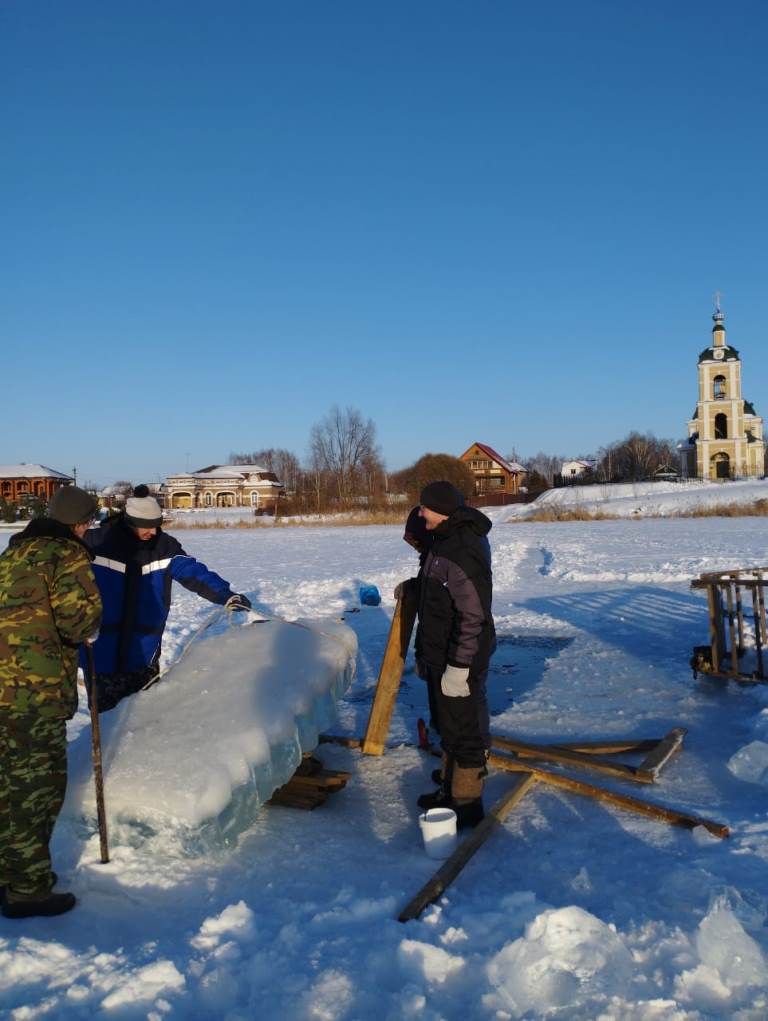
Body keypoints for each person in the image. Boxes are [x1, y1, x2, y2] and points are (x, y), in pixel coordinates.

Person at [0, 486, 102, 918]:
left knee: (8, 784)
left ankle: (11, 872)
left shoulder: (12, 555)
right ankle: (27, 890)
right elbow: (79, 618)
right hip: (33, 692)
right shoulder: (67, 555)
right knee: (35, 790)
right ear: (80, 523)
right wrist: (92, 625)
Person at [85, 485, 251, 712]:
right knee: (106, 728)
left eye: (157, 526)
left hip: (144, 656)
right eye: (147, 527)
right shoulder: (95, 543)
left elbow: (194, 573)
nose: (153, 532)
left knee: (144, 721)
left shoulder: (165, 547)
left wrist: (226, 595)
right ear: (130, 522)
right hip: (101, 656)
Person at [411, 481, 495, 829]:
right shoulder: (442, 541)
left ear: (441, 510)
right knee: (447, 724)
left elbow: (473, 614)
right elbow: (436, 602)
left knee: (465, 731)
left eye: (424, 507)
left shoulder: (460, 549)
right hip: (439, 652)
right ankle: (449, 791)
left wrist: (459, 666)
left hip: (460, 656)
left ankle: (467, 803)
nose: (419, 513)